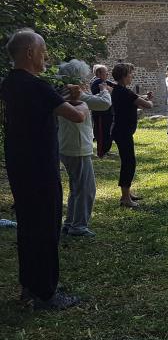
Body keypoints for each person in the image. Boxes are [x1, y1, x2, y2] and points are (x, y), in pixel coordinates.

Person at [0, 28, 88, 309]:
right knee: (47, 226)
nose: (46, 56)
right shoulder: (36, 86)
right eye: (43, 50)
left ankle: (30, 285)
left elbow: (46, 106)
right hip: (40, 165)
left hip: (19, 163)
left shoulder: (9, 83)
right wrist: (81, 100)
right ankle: (47, 293)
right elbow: (75, 116)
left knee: (28, 225)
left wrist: (66, 97)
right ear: (29, 53)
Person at [57, 60, 112, 237]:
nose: (87, 80)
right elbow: (103, 104)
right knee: (87, 189)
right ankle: (78, 227)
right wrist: (105, 91)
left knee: (77, 187)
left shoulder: (65, 92)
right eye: (84, 77)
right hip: (77, 146)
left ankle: (70, 223)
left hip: (68, 145)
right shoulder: (75, 94)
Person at [111, 63, 154, 207]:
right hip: (122, 132)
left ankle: (127, 193)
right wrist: (149, 100)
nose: (132, 76)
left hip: (122, 131)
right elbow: (148, 106)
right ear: (124, 76)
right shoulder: (124, 92)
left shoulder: (120, 90)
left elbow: (133, 98)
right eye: (130, 74)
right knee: (129, 163)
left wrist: (143, 97)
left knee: (128, 162)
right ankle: (125, 198)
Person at [90, 64, 115, 157]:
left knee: (107, 132)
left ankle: (105, 150)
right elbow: (102, 93)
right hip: (101, 113)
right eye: (105, 72)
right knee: (101, 132)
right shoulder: (97, 82)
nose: (108, 74)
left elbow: (115, 87)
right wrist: (109, 90)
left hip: (107, 112)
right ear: (99, 73)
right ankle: (101, 152)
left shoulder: (104, 82)